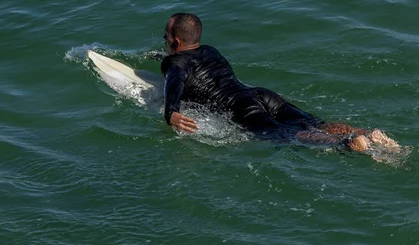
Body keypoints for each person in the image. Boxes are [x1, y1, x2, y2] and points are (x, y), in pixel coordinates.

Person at [160, 13, 395, 152]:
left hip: (240, 108)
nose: (164, 41)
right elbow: (192, 66)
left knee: (288, 135)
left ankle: (347, 143)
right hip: (261, 95)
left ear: (177, 42)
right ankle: (367, 133)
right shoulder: (210, 51)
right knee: (312, 122)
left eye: (166, 38)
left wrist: (171, 112)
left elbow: (176, 82)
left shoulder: (174, 63)